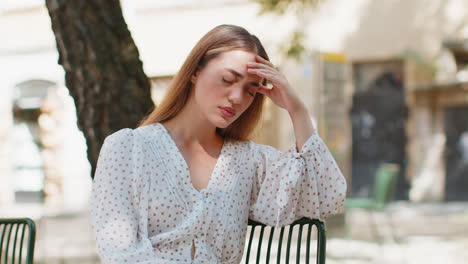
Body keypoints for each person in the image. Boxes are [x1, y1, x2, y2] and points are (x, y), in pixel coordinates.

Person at [89, 24, 347, 264]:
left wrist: (297, 110)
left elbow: (327, 197)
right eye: (227, 79)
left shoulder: (247, 162)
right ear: (195, 71)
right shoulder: (128, 149)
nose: (237, 97)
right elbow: (120, 254)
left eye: (250, 90)